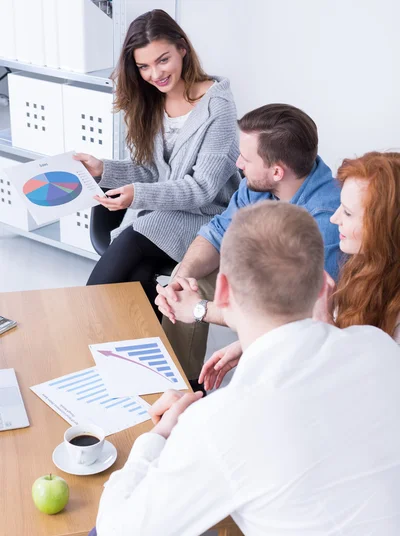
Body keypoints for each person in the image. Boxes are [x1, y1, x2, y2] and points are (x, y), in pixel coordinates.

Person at [84, 202, 400, 536]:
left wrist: (158, 439)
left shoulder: (226, 420)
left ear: (224, 291)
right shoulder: (378, 346)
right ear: (324, 286)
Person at [156, 103, 341, 387]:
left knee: (194, 299)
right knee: (189, 275)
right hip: (272, 294)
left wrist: (199, 309)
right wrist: (182, 279)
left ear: (277, 171)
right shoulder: (261, 184)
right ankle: (180, 386)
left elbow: (291, 317)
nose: (238, 164)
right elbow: (218, 233)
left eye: (245, 158)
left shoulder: (326, 223)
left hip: (302, 321)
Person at [75, 9, 240, 308]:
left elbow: (202, 188)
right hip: (162, 213)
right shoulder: (152, 100)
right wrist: (103, 168)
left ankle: (84, 320)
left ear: (182, 49)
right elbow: (152, 171)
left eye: (163, 60)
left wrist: (137, 195)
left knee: (130, 241)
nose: (155, 74)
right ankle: (134, 348)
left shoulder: (219, 108)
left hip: (206, 217)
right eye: (144, 66)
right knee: (137, 277)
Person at [201, 150, 400, 391]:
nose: (335, 219)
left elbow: (368, 385)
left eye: (348, 213)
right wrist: (256, 343)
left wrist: (324, 329)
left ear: (386, 227)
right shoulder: (362, 264)